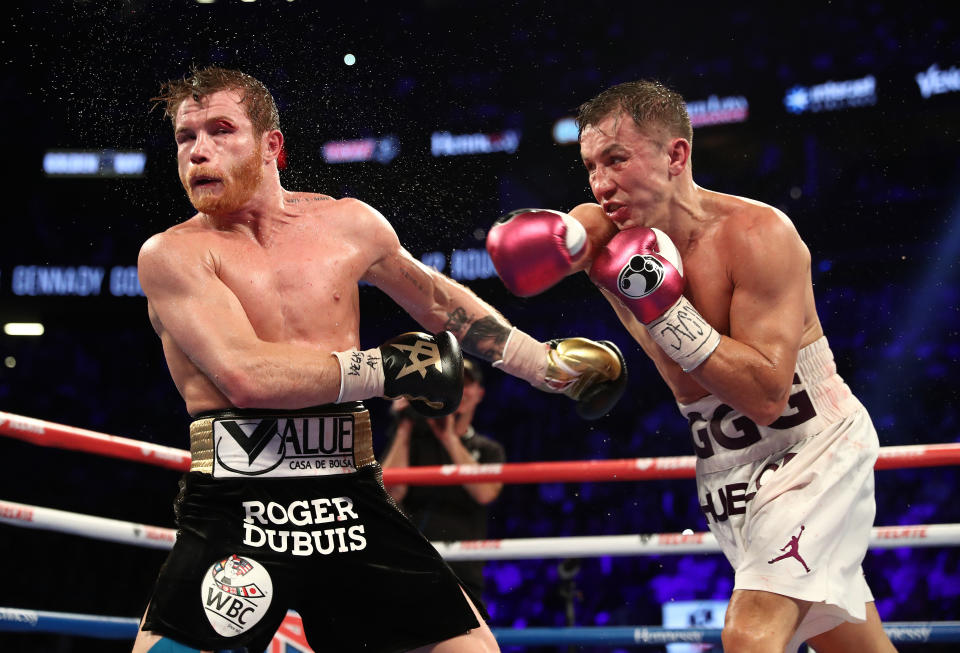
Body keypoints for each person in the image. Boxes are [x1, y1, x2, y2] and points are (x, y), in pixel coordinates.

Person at [134, 66, 627, 653]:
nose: (199, 153)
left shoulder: (350, 224)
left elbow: (440, 304)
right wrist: (385, 368)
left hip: (349, 496)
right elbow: (245, 376)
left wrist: (541, 365)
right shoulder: (173, 254)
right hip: (236, 501)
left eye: (220, 130)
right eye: (186, 138)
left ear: (272, 146)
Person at [486, 80, 896, 653]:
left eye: (617, 159)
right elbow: (540, 255)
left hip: (812, 450)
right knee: (850, 646)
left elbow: (767, 395)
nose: (601, 183)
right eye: (591, 166)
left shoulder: (758, 235)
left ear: (676, 155)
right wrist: (554, 243)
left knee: (751, 632)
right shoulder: (605, 233)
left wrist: (665, 309)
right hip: (726, 469)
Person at [381, 358, 505, 605]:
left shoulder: (488, 450)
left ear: (479, 394)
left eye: (466, 384)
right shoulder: (409, 442)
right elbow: (391, 493)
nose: (459, 389)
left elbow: (485, 493)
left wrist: (449, 438)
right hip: (413, 563)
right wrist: (404, 425)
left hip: (464, 570)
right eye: (453, 383)